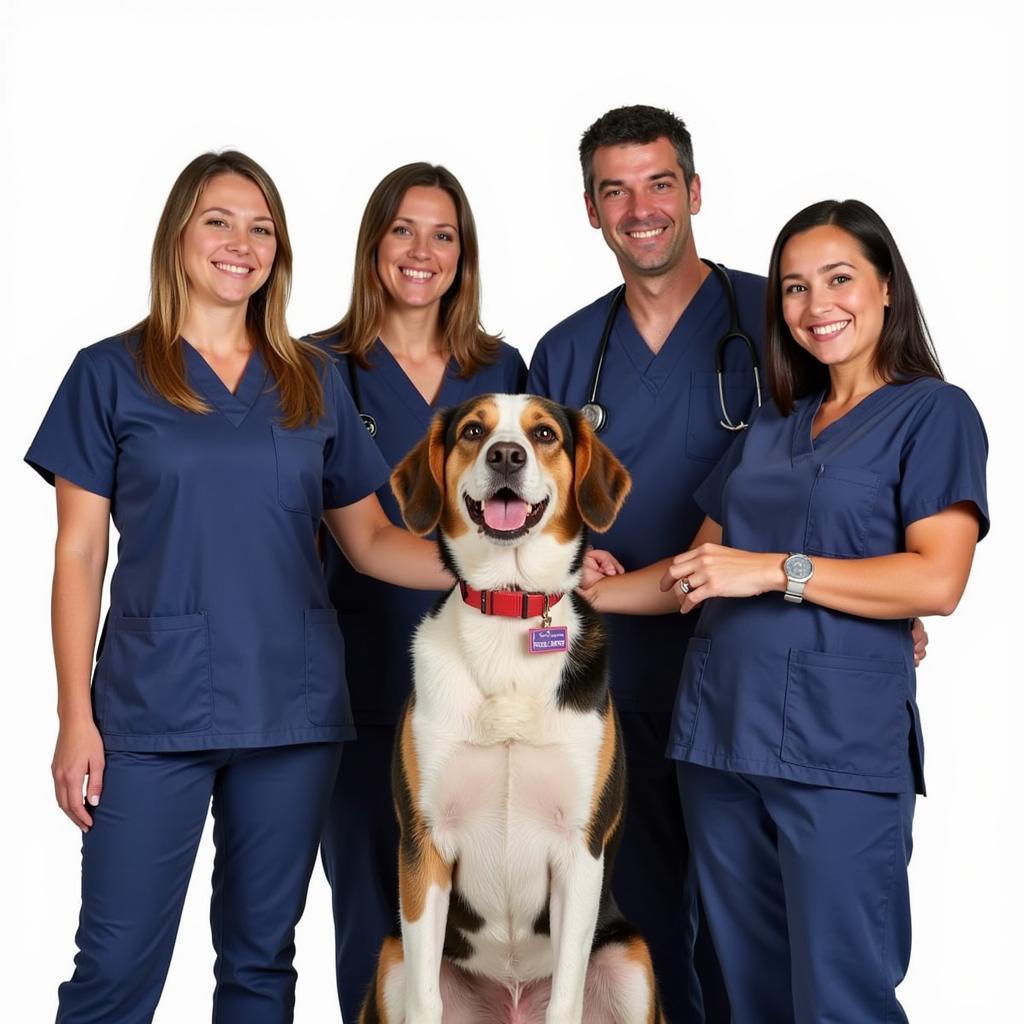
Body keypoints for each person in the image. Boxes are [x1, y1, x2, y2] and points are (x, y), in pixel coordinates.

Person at [26, 151, 451, 1023]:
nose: (242, 243)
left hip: (291, 709)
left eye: (263, 228)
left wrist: (501, 565)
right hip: (147, 712)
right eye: (220, 220)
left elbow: (369, 540)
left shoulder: (311, 379)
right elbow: (78, 557)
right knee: (111, 970)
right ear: (179, 234)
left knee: (261, 964)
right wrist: (75, 716)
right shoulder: (108, 374)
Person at [600, 199, 988, 1021]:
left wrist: (777, 571)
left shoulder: (933, 413)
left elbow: (937, 582)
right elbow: (699, 567)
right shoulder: (777, 423)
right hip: (721, 745)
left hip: (838, 753)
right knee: (750, 994)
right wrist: (593, 591)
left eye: (840, 279)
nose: (818, 307)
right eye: (794, 289)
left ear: (886, 285)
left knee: (840, 996)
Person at [527, 104, 766, 1022]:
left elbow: (846, 448)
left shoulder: (773, 315)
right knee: (640, 937)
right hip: (610, 687)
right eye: (615, 190)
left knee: (752, 931)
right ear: (590, 209)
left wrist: (884, 591)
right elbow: (529, 514)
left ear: (694, 191)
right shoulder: (567, 350)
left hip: (748, 669)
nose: (641, 208)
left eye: (660, 182)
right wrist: (576, 555)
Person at [311, 162, 527, 1021]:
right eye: (403, 230)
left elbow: (545, 514)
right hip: (365, 684)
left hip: (493, 696)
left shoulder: (501, 366)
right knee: (375, 912)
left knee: (490, 928)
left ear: (463, 255)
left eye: (444, 235)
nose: (422, 252)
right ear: (373, 245)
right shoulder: (318, 367)